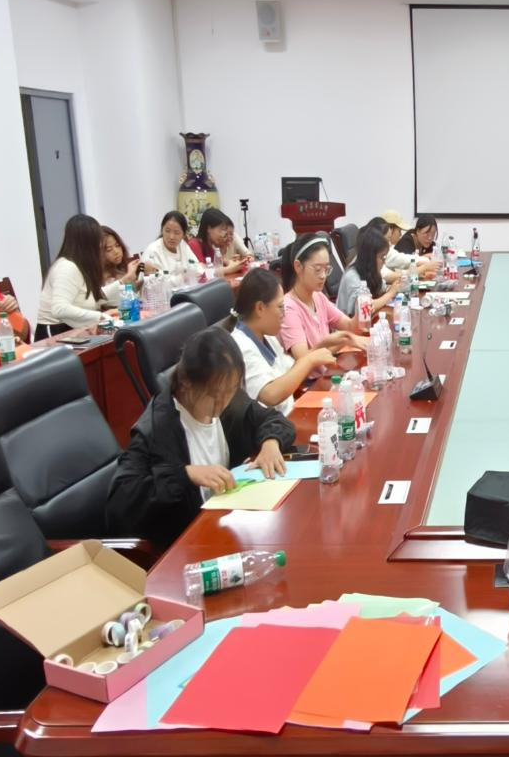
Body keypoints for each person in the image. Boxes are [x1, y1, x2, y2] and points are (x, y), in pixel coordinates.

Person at [106, 327, 296, 548]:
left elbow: (274, 420)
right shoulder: (157, 429)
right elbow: (120, 503)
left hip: (228, 528)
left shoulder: (227, 399)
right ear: (187, 382)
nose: (223, 402)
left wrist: (271, 443)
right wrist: (185, 474)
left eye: (231, 390)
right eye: (214, 394)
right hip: (188, 545)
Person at [226, 268, 336, 416]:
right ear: (260, 308)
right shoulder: (241, 346)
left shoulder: (267, 336)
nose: (284, 314)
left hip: (289, 414)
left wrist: (321, 348)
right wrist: (309, 360)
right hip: (272, 426)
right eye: (280, 307)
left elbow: (291, 372)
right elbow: (271, 395)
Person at [36, 214, 137, 338]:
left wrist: (125, 281)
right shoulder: (67, 267)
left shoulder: (80, 265)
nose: (100, 246)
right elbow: (59, 308)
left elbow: (94, 297)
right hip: (55, 333)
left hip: (71, 329)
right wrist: (100, 316)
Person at [278, 234, 368, 362]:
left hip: (327, 368)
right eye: (318, 269)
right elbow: (303, 359)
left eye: (326, 269)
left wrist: (360, 313)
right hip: (314, 375)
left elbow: (349, 326)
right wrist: (329, 342)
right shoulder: (289, 309)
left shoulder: (318, 296)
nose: (323, 276)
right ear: (298, 266)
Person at [337, 228, 403, 317]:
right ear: (370, 257)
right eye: (382, 258)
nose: (384, 262)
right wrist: (391, 293)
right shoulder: (352, 276)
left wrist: (393, 287)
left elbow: (382, 289)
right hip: (349, 324)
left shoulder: (370, 271)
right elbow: (366, 307)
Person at [380, 210, 440, 277]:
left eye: (433, 234)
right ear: (389, 230)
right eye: (399, 231)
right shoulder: (404, 243)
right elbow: (402, 262)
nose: (430, 238)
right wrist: (425, 264)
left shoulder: (389, 250)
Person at [142, 211, 198, 281]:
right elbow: (151, 281)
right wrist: (180, 278)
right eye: (167, 231)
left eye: (176, 232)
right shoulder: (153, 251)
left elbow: (197, 267)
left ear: (183, 235)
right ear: (162, 230)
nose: (171, 237)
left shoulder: (182, 245)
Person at [189, 208, 247, 276]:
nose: (224, 234)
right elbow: (200, 272)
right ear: (209, 228)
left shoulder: (210, 246)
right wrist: (229, 269)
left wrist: (231, 262)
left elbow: (217, 265)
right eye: (222, 229)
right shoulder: (194, 244)